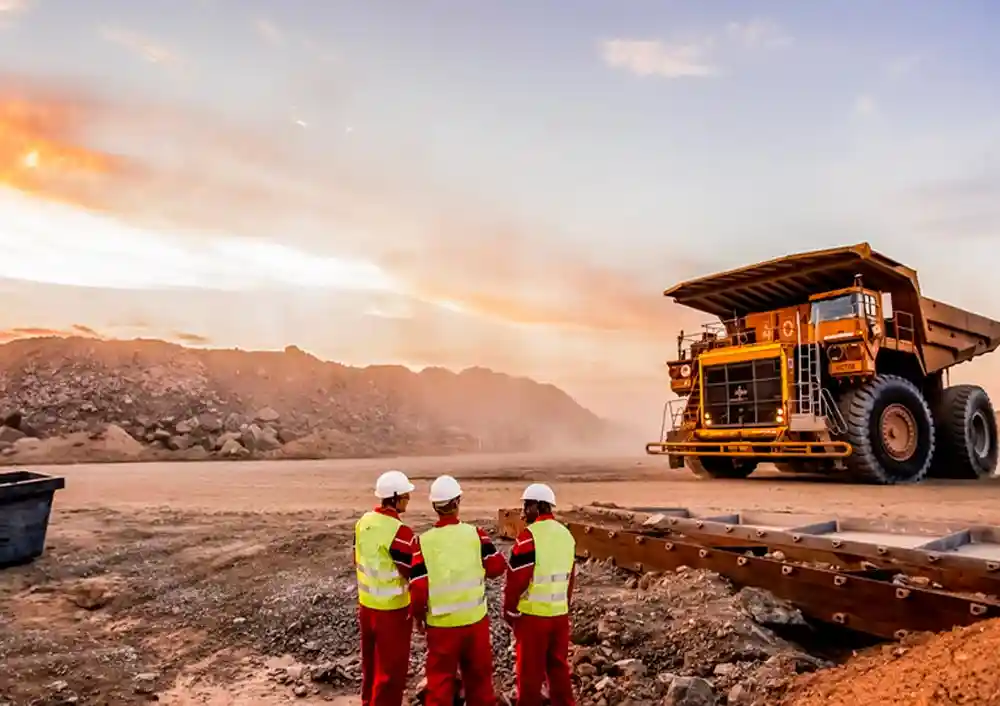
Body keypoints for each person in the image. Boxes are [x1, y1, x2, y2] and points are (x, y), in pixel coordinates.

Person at [409, 474, 507, 706]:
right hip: (475, 623)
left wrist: (419, 617)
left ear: (435, 506)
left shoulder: (422, 542)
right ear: (457, 502)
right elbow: (496, 567)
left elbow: (418, 587)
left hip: (441, 627)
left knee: (440, 683)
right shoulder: (476, 535)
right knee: (480, 683)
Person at [503, 483, 577, 706]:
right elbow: (570, 576)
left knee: (529, 675)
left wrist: (509, 608)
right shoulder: (566, 535)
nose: (524, 512)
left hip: (533, 617)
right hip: (559, 615)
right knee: (559, 670)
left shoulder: (529, 537)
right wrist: (564, 604)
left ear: (540, 506)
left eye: (527, 505)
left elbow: (516, 578)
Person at [355, 470, 418, 706]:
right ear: (395, 497)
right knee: (390, 673)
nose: (408, 500)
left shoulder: (363, 522)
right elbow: (412, 570)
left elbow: (357, 557)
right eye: (405, 495)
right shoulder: (399, 532)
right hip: (392, 612)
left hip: (366, 606)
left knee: (370, 665)